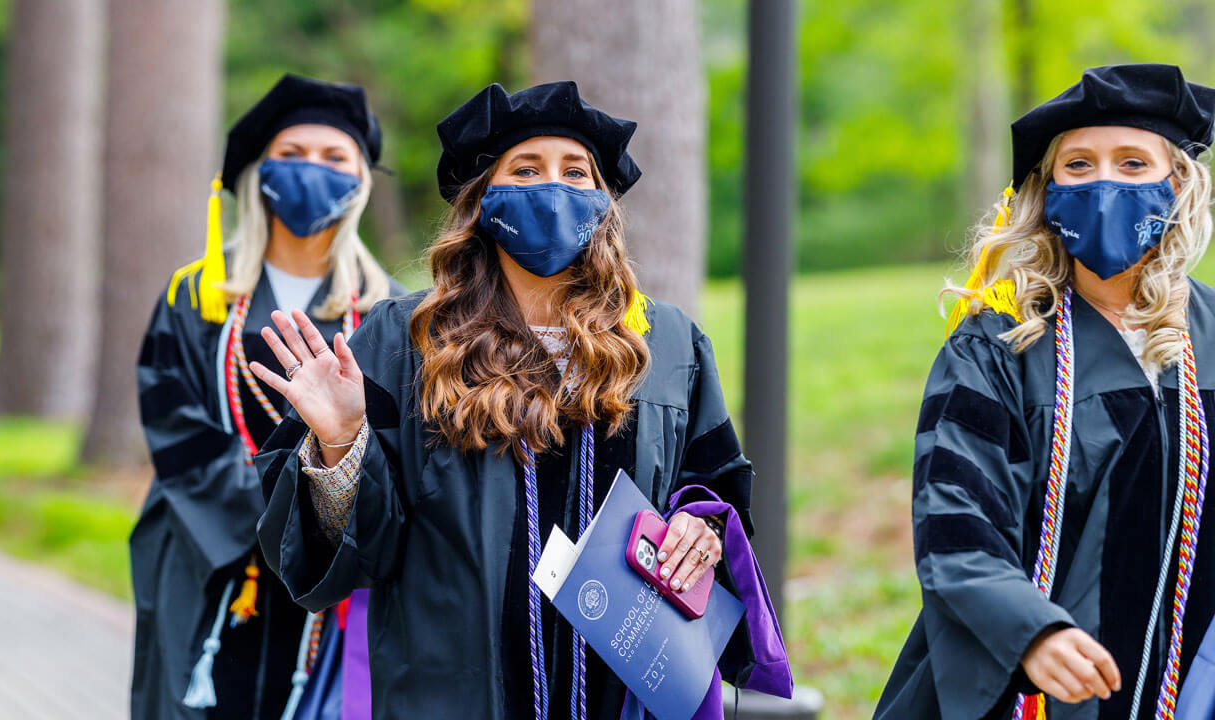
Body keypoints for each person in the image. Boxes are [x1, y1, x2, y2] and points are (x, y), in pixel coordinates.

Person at [250, 81, 792, 719]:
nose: (553, 188)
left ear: (601, 203)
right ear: (484, 202)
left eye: (575, 172)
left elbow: (714, 482)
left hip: (627, 690)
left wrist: (699, 529)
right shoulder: (407, 340)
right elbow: (363, 551)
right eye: (526, 170)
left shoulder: (666, 343)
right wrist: (343, 443)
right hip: (452, 691)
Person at [877, 64, 1215, 720]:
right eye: (1079, 165)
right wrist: (1030, 629)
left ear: (1177, 185)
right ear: (1048, 192)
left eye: (1133, 163)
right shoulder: (1000, 345)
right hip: (1034, 688)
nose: (1106, 184)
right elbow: (954, 517)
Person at [130, 74, 405, 720]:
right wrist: (285, 520)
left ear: (361, 180)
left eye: (335, 158)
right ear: (259, 173)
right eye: (293, 154)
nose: (314, 170)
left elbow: (398, 447)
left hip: (340, 569)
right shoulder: (197, 295)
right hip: (215, 558)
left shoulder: (390, 311)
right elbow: (174, 426)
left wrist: (328, 529)